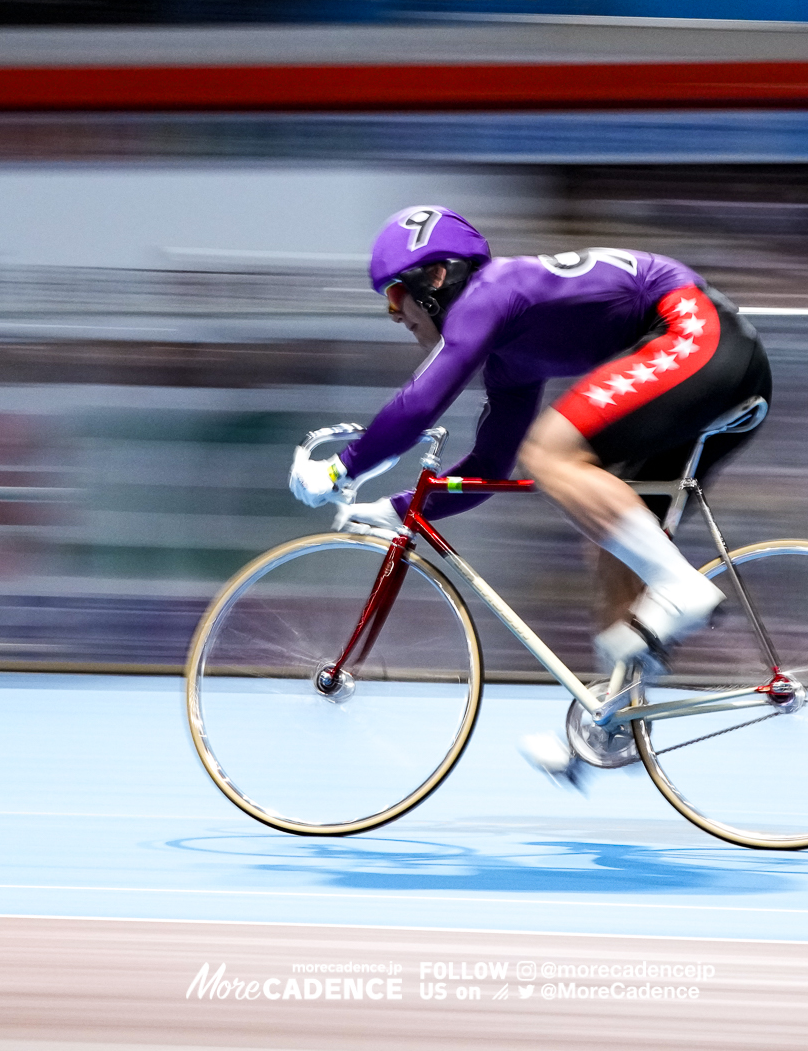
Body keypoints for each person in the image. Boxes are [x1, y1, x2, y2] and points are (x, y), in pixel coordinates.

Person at [289, 205, 771, 789]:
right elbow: (488, 468)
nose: (394, 316)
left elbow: (420, 405)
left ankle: (682, 586)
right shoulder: (509, 357)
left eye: (395, 297)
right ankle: (611, 722)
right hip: (711, 353)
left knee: (551, 453)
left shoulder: (490, 294)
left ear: (436, 279)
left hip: (696, 334)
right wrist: (393, 508)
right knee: (614, 544)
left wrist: (342, 469)